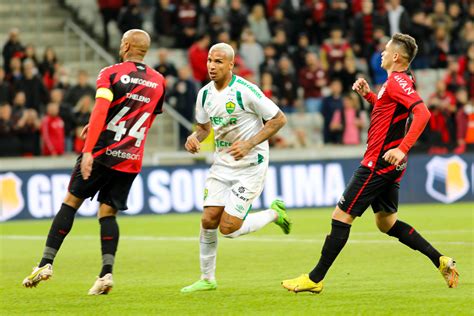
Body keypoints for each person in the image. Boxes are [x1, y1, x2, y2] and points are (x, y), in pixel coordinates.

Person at [282, 33, 459, 294]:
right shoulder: (398, 82)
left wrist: (402, 147)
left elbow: (423, 113)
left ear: (396, 56)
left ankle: (315, 278)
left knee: (341, 216)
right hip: (389, 164)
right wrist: (369, 97)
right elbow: (389, 112)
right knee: (386, 223)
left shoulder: (398, 81)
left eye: (386, 50)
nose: (382, 53)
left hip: (377, 163)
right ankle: (441, 260)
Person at [22, 29, 166, 295]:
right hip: (131, 157)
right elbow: (147, 117)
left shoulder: (110, 73)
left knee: (71, 202)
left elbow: (101, 108)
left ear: (125, 45)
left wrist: (88, 151)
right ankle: (106, 274)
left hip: (102, 152)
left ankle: (45, 263)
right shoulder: (159, 81)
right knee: (108, 213)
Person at [180, 43, 291, 293]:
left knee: (228, 229)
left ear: (231, 65)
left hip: (251, 165)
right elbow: (204, 128)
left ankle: (274, 214)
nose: (212, 65)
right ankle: (207, 279)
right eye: (210, 60)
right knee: (208, 219)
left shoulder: (245, 91)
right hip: (222, 164)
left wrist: (250, 143)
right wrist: (194, 138)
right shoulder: (205, 94)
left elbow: (279, 119)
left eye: (219, 61)